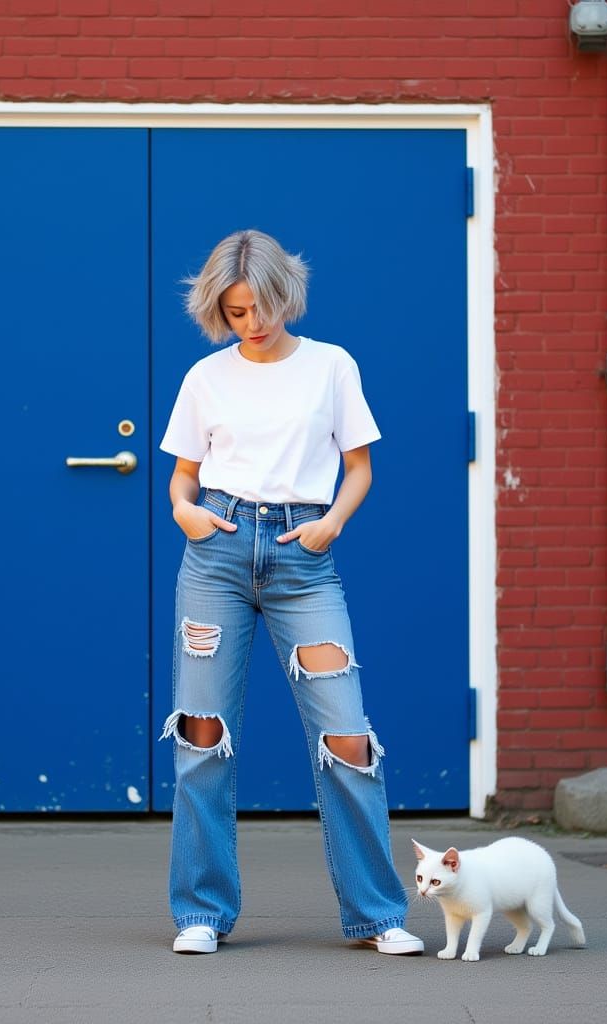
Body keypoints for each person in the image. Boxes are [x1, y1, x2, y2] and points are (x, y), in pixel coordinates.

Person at [158, 229, 423, 956]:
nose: (254, 322)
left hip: (302, 557)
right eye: (238, 312)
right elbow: (181, 478)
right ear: (220, 309)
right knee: (202, 736)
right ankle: (201, 913)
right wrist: (185, 510)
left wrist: (331, 524)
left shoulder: (332, 367)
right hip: (214, 553)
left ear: (287, 293)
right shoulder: (205, 378)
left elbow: (359, 467)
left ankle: (378, 915)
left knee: (347, 738)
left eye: (264, 305)